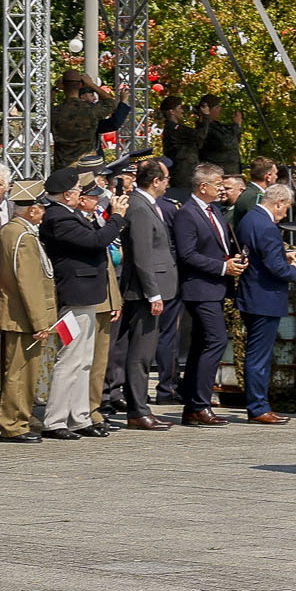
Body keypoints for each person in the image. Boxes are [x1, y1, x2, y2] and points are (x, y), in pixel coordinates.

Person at [37, 166, 126, 439]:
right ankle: (55, 420)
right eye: (76, 190)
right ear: (66, 194)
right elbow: (95, 240)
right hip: (74, 294)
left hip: (87, 293)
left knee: (84, 359)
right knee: (70, 359)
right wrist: (118, 217)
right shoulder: (57, 218)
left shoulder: (71, 214)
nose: (80, 194)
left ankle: (79, 416)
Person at [172, 161, 243, 426]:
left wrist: (234, 259)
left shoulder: (213, 210)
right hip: (199, 288)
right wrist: (222, 267)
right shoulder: (187, 214)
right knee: (216, 340)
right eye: (217, 184)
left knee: (203, 344)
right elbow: (187, 254)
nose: (222, 189)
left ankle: (192, 405)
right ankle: (200, 404)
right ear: (203, 187)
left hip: (216, 286)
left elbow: (218, 243)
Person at [115, 157, 177, 430]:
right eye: (165, 180)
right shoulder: (139, 208)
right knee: (141, 353)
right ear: (155, 182)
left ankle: (139, 407)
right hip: (142, 292)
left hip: (151, 288)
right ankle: (138, 409)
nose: (167, 185)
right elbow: (141, 255)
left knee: (145, 351)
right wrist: (153, 294)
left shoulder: (147, 205)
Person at [0, 180, 56, 443]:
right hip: (23, 317)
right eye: (42, 207)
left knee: (19, 372)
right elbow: (28, 282)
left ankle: (19, 418)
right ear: (31, 209)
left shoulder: (10, 230)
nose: (44, 212)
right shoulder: (24, 236)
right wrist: (40, 321)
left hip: (16, 314)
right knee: (21, 374)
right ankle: (14, 424)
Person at [237, 181, 296, 422]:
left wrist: (282, 254)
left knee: (256, 353)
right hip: (264, 297)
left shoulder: (250, 219)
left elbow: (258, 253)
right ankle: (258, 407)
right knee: (259, 356)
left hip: (252, 293)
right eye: (285, 209)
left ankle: (258, 404)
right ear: (278, 203)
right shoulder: (267, 227)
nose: (285, 214)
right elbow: (276, 268)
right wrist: (294, 270)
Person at [50, 71, 129, 169]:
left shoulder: (55, 112)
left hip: (63, 166)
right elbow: (110, 103)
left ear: (63, 85)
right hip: (88, 165)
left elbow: (43, 110)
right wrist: (91, 84)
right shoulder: (91, 110)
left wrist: (56, 88)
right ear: (80, 85)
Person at [160, 97, 205, 194]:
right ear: (172, 111)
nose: (182, 111)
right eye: (179, 108)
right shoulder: (174, 128)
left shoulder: (173, 128)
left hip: (185, 172)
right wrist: (205, 116)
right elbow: (200, 136)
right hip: (183, 174)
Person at [195, 95, 244, 178]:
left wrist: (237, 127)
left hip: (231, 173)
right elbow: (227, 143)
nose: (220, 109)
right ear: (208, 109)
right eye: (217, 107)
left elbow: (236, 141)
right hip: (218, 175)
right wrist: (236, 125)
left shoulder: (220, 126)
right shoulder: (205, 129)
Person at [230, 158, 282, 232]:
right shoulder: (256, 196)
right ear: (268, 176)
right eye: (275, 173)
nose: (276, 177)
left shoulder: (251, 192)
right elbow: (257, 227)